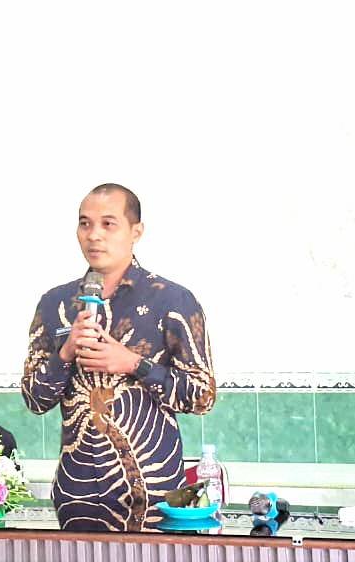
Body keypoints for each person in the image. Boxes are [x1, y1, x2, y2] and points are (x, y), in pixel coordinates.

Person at [21, 183, 216, 531]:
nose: (94, 235)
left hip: (155, 503)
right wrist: (65, 353)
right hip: (76, 499)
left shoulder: (171, 300)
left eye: (108, 224)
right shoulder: (56, 304)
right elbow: (34, 399)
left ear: (135, 232)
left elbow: (202, 396)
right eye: (85, 224)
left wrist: (134, 364)